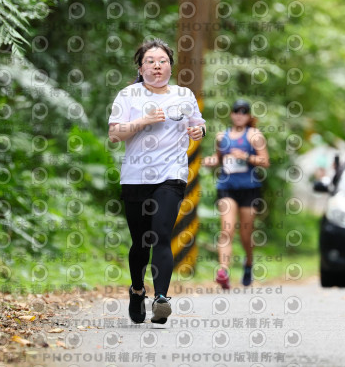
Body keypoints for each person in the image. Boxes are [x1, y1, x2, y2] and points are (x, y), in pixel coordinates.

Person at [108, 39, 205, 324]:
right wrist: (144, 120)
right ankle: (137, 290)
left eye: (162, 61)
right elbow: (114, 134)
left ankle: (161, 298)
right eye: (150, 61)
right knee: (141, 242)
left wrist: (198, 131)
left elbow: (198, 124)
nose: (157, 66)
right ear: (141, 68)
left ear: (170, 66)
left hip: (171, 175)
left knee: (161, 235)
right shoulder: (128, 95)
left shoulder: (184, 95)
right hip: (135, 177)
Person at [203, 100, 270, 289]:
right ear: (231, 114)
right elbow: (218, 159)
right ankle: (223, 271)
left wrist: (246, 157)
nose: (240, 115)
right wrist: (207, 161)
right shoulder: (221, 136)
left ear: (249, 116)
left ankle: (248, 263)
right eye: (236, 111)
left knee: (246, 235)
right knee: (227, 229)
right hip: (227, 187)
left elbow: (265, 161)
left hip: (249, 189)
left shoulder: (254, 135)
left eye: (244, 112)